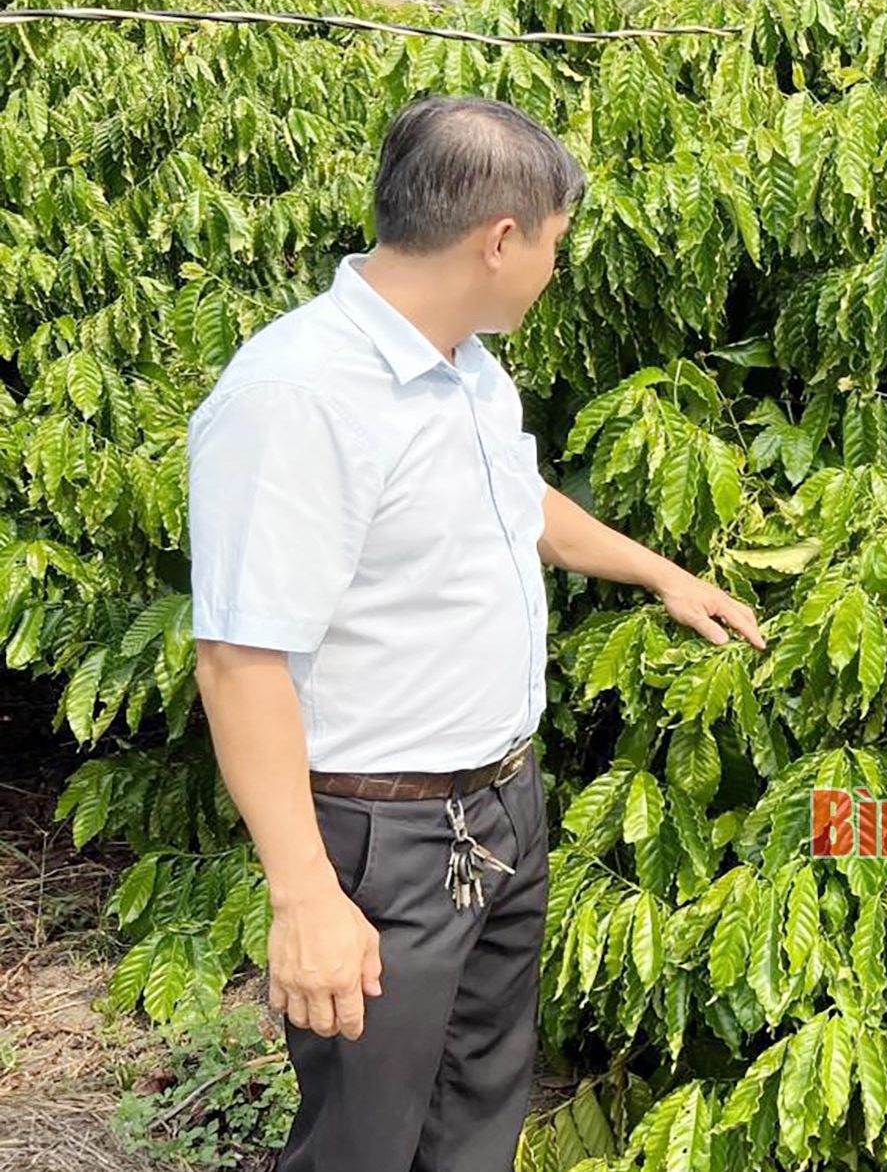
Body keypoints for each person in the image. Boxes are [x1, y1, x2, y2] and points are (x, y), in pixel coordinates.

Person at [188, 97, 765, 1171]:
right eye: (554, 242)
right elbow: (238, 655)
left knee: (476, 1116)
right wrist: (305, 891)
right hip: (380, 837)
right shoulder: (297, 395)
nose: (555, 265)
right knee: (363, 1138)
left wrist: (661, 573)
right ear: (501, 239)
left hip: (498, 802)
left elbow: (517, 502)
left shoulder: (463, 364)